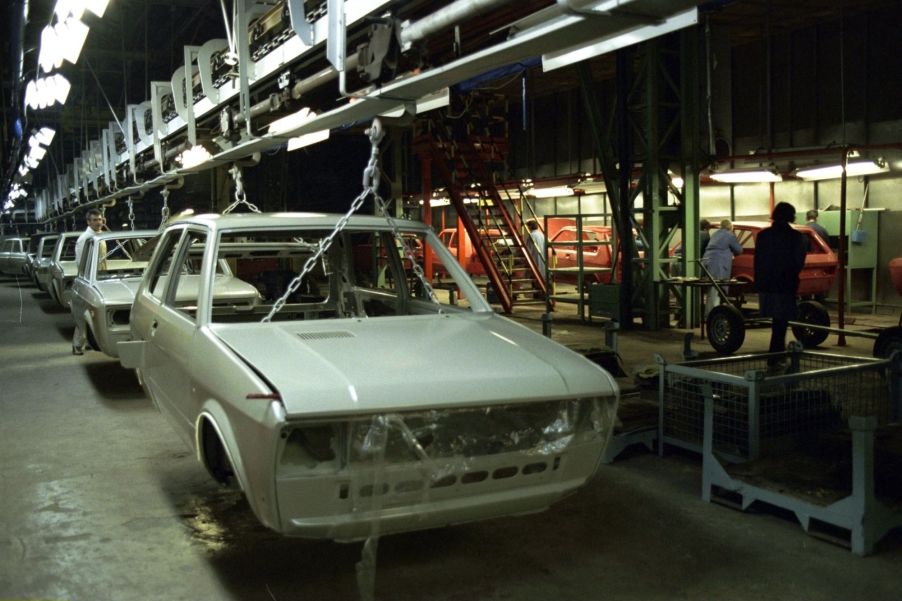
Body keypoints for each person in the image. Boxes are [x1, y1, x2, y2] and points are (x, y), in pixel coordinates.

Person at [755, 202, 807, 365]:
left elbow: (758, 262)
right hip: (786, 284)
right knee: (781, 321)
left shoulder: (763, 236)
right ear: (791, 216)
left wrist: (760, 282)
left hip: (768, 284)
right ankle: (776, 355)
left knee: (776, 321)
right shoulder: (796, 237)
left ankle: (775, 354)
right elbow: (799, 262)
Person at [72, 208, 105, 355]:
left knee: (94, 314)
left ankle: (91, 341)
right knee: (83, 314)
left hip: (99, 278)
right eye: (95, 220)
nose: (98, 222)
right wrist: (87, 281)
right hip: (88, 280)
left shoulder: (100, 236)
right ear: (88, 222)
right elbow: (81, 262)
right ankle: (77, 345)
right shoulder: (84, 239)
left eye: (100, 219)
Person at [702, 218, 742, 316]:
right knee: (715, 290)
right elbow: (739, 250)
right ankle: (711, 315)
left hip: (706, 261)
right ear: (730, 227)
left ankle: (712, 313)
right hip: (717, 263)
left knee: (712, 289)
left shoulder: (715, 234)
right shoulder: (729, 235)